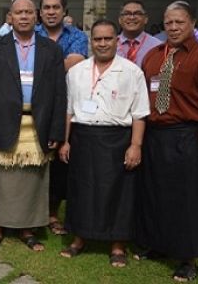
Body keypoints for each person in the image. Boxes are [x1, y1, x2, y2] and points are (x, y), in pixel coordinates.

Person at [136, 1, 198, 282]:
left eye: (179, 22)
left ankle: (188, 258)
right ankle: (158, 244)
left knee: (187, 198)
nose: (174, 28)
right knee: (154, 194)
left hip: (185, 133)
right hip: (155, 134)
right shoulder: (153, 56)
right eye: (169, 23)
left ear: (191, 23)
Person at [0, 0, 66, 252]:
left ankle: (28, 228)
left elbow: (60, 94)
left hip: (38, 123)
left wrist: (57, 129)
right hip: (3, 122)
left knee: (32, 179)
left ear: (36, 16)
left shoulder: (52, 49)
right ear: (10, 17)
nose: (24, 16)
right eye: (19, 12)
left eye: (28, 12)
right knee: (1, 179)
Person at [59, 19, 150, 267]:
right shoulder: (77, 71)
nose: (102, 43)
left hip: (117, 138)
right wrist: (65, 141)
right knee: (82, 190)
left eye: (107, 38)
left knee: (118, 192)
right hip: (83, 137)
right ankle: (79, 238)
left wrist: (136, 145)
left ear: (116, 40)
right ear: (91, 41)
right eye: (97, 39)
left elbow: (139, 113)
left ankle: (117, 244)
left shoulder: (132, 72)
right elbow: (68, 110)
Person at [36, 0, 88, 236]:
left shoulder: (77, 36)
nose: (51, 12)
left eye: (56, 7)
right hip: (34, 107)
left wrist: (39, 68)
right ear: (40, 11)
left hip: (67, 105)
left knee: (59, 161)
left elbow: (74, 63)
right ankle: (32, 211)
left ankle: (53, 213)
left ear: (64, 11)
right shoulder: (31, 34)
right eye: (46, 7)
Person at [116, 0, 162, 67]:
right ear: (120, 20)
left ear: (146, 19)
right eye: (127, 13)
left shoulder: (158, 46)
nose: (132, 17)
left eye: (137, 13)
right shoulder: (109, 45)